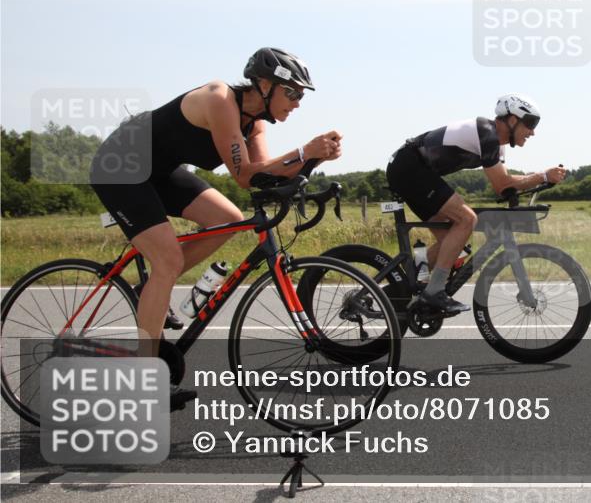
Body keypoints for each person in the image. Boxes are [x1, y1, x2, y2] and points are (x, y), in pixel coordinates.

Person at [89, 47, 341, 407]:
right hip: (122, 166)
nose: (298, 103)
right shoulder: (219, 99)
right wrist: (304, 151)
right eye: (294, 93)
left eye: (301, 95)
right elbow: (243, 174)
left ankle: (156, 288)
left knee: (229, 220)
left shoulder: (253, 123)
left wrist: (312, 159)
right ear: (265, 84)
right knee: (168, 261)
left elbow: (262, 172)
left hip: (158, 172)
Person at [385, 94, 566, 314]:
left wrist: (533, 186)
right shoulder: (487, 134)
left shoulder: (497, 146)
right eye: (530, 123)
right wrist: (543, 176)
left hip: (413, 170)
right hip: (411, 167)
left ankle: (402, 286)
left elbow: (504, 188)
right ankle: (434, 292)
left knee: (452, 244)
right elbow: (502, 182)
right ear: (511, 120)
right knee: (467, 219)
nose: (533, 131)